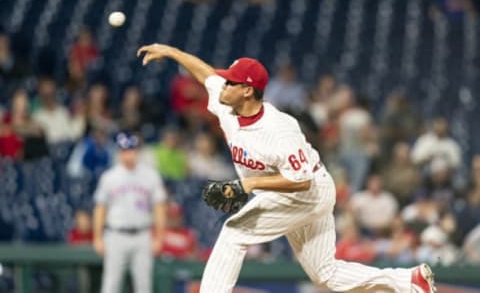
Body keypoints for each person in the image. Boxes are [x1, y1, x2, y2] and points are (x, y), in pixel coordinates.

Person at [137, 44, 436, 293]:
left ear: (246, 91)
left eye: (231, 81)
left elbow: (301, 181)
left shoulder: (279, 129)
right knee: (325, 274)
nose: (222, 84)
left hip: (307, 191)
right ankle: (408, 281)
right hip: (290, 190)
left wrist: (251, 186)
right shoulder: (227, 103)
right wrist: (172, 52)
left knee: (234, 232)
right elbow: (206, 75)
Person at [93, 132, 168, 293]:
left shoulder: (150, 175)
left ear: (137, 151)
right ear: (119, 152)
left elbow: (159, 207)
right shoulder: (109, 177)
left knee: (144, 286)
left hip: (142, 235)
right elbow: (100, 208)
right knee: (111, 285)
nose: (128, 154)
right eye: (124, 150)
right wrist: (98, 237)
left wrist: (160, 237)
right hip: (116, 235)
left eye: (131, 150)